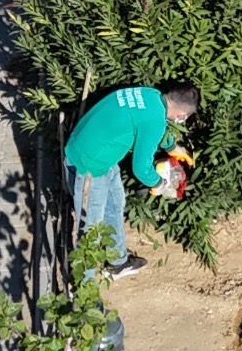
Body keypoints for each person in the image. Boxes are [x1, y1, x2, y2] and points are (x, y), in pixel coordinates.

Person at [63, 83, 198, 279]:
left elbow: (148, 123)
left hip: (96, 152)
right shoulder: (155, 122)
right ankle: (84, 287)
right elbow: (141, 168)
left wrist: (171, 147)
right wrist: (160, 185)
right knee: (90, 230)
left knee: (115, 204)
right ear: (182, 115)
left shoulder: (151, 95)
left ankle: (118, 262)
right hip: (89, 167)